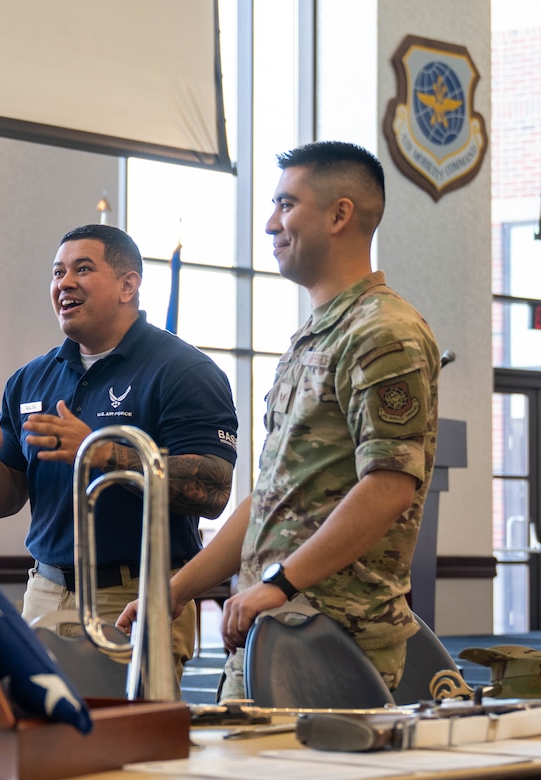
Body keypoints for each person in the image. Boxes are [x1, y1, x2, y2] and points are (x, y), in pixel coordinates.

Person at [117, 141, 440, 699]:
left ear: (340, 214)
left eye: (286, 205)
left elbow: (389, 486)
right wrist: (175, 589)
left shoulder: (383, 331)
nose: (270, 223)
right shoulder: (314, 336)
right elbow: (269, 500)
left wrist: (279, 582)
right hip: (276, 626)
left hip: (336, 636)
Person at [0, 224, 238, 682]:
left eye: (83, 269)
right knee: (41, 739)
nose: (65, 283)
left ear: (128, 284)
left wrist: (102, 454)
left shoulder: (184, 371)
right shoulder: (31, 379)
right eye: (58, 272)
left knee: (127, 744)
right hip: (45, 591)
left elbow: (213, 488)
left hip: (136, 595)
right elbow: (3, 504)